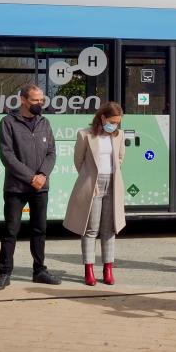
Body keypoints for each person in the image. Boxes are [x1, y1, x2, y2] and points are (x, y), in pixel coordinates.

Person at [0, 84, 61, 290]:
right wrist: (31, 177)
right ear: (23, 100)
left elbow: (51, 153)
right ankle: (4, 273)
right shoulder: (8, 122)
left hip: (40, 187)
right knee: (11, 231)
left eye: (42, 100)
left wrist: (42, 175)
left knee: (40, 230)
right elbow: (7, 156)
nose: (40, 104)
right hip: (16, 188)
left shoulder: (44, 122)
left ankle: (39, 271)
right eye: (35, 101)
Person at [63, 102, 126, 286]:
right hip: (93, 185)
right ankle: (89, 270)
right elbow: (78, 160)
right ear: (103, 118)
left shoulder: (119, 135)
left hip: (113, 184)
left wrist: (112, 176)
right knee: (91, 229)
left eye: (118, 123)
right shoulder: (85, 135)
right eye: (112, 121)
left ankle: (108, 269)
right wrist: (89, 179)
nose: (114, 125)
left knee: (109, 229)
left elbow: (120, 158)